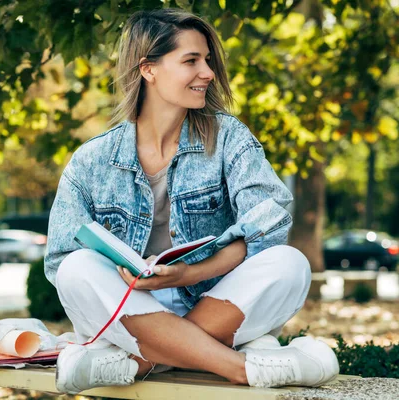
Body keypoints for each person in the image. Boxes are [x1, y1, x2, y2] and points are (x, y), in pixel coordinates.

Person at [44, 9, 339, 394]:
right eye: (191, 61)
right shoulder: (93, 159)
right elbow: (59, 257)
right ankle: (242, 368)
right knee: (76, 267)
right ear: (148, 69)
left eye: (208, 60)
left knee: (290, 263)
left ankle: (140, 363)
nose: (208, 73)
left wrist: (188, 274)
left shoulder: (229, 137)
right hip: (128, 309)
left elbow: (267, 224)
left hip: (213, 301)